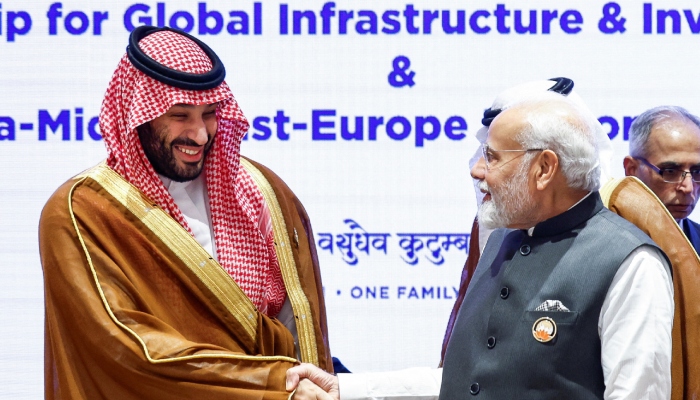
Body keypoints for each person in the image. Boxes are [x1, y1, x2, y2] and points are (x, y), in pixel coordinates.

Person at [287, 91, 674, 400]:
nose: (477, 170)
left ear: (544, 169)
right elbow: (469, 379)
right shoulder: (501, 238)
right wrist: (346, 389)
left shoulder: (630, 264)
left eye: (492, 157)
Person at [39, 26, 333, 399]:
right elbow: (126, 348)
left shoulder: (263, 192)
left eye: (209, 114)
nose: (199, 135)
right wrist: (274, 383)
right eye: (180, 115)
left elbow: (299, 328)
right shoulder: (83, 211)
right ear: (138, 113)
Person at [623, 106, 700, 253]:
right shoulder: (598, 244)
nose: (688, 187)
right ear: (631, 169)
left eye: (697, 172)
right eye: (670, 171)